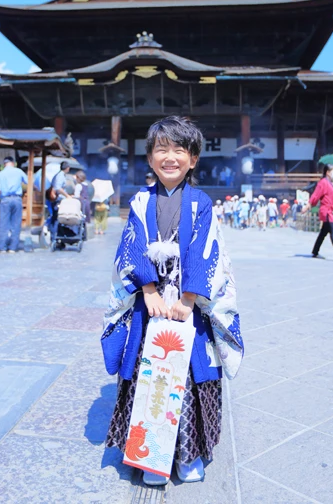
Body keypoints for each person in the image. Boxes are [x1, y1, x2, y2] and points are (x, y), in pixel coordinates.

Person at [102, 115, 243, 486]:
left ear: (193, 159)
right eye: (161, 149)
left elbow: (207, 250)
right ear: (150, 159)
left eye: (179, 150)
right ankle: (150, 455)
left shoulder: (201, 203)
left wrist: (190, 297)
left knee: (190, 377)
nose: (170, 157)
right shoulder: (138, 202)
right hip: (149, 307)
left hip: (187, 307)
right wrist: (147, 290)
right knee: (149, 376)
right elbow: (129, 247)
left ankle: (187, 453)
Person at [302, 164, 333, 261]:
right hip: (328, 212)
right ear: (328, 172)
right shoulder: (323, 182)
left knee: (323, 233)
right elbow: (316, 194)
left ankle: (315, 251)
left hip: (331, 211)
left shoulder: (331, 183)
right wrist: (308, 205)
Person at [0, 156, 27, 253]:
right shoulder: (19, 172)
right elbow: (28, 182)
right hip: (17, 199)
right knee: (16, 223)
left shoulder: (0, 174)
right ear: (13, 163)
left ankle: (2, 247)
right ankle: (13, 247)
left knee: (3, 224)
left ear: (4, 164)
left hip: (5, 199)